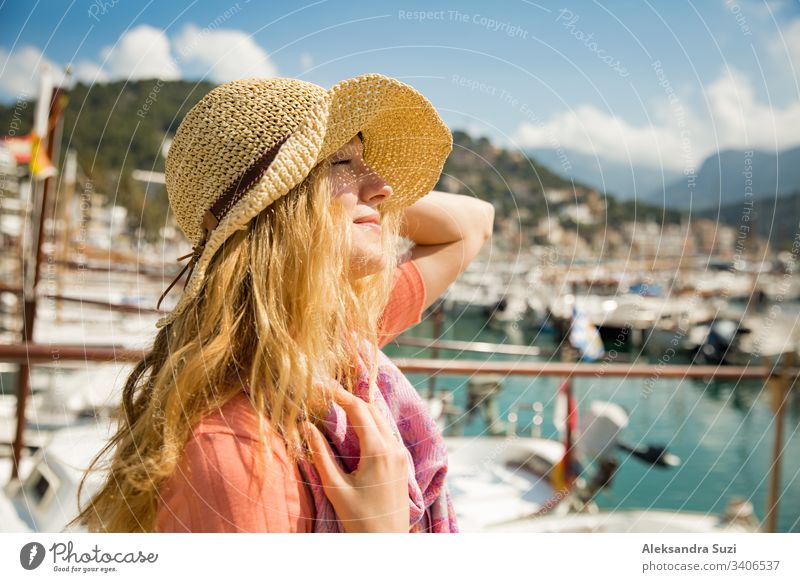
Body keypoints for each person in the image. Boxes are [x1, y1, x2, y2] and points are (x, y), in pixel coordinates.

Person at [69, 73, 495, 533]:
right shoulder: (235, 456)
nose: (384, 187)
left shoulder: (331, 335)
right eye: (342, 162)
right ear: (276, 205)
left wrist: (343, 200)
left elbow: (474, 222)